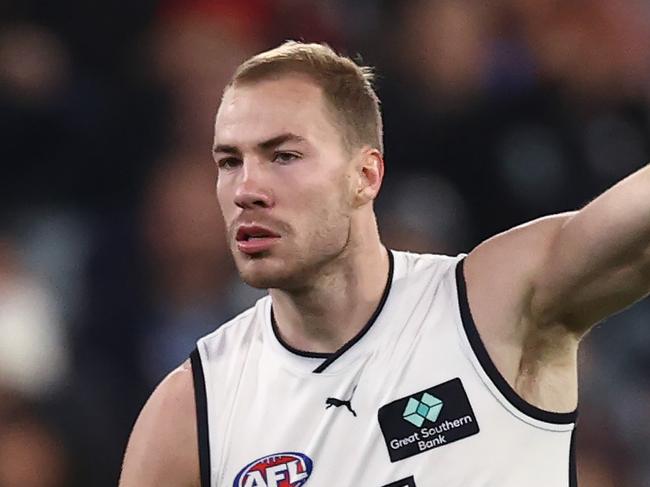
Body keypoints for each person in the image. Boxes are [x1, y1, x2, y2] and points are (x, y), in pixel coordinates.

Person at [119, 41, 650, 487]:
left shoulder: (493, 306)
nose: (246, 190)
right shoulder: (191, 413)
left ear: (366, 175)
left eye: (283, 156)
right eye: (229, 162)